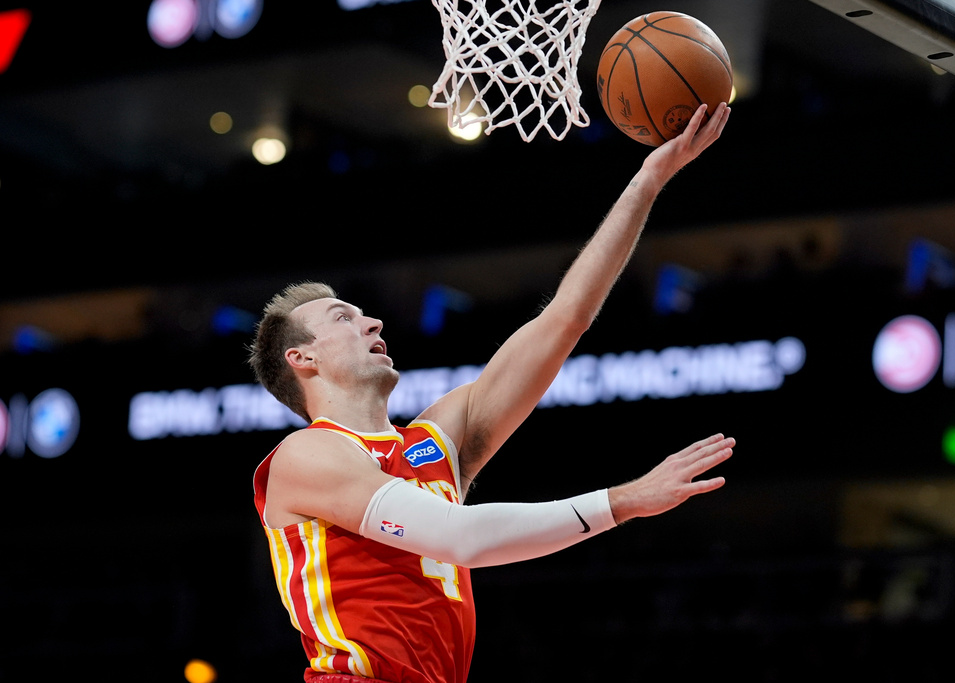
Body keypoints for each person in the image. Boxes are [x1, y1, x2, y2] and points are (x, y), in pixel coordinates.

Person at [249, 102, 733, 683]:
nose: (373, 322)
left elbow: (564, 320)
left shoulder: (433, 443)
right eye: (343, 318)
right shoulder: (306, 456)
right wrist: (624, 500)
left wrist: (648, 181)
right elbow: (462, 538)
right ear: (301, 359)